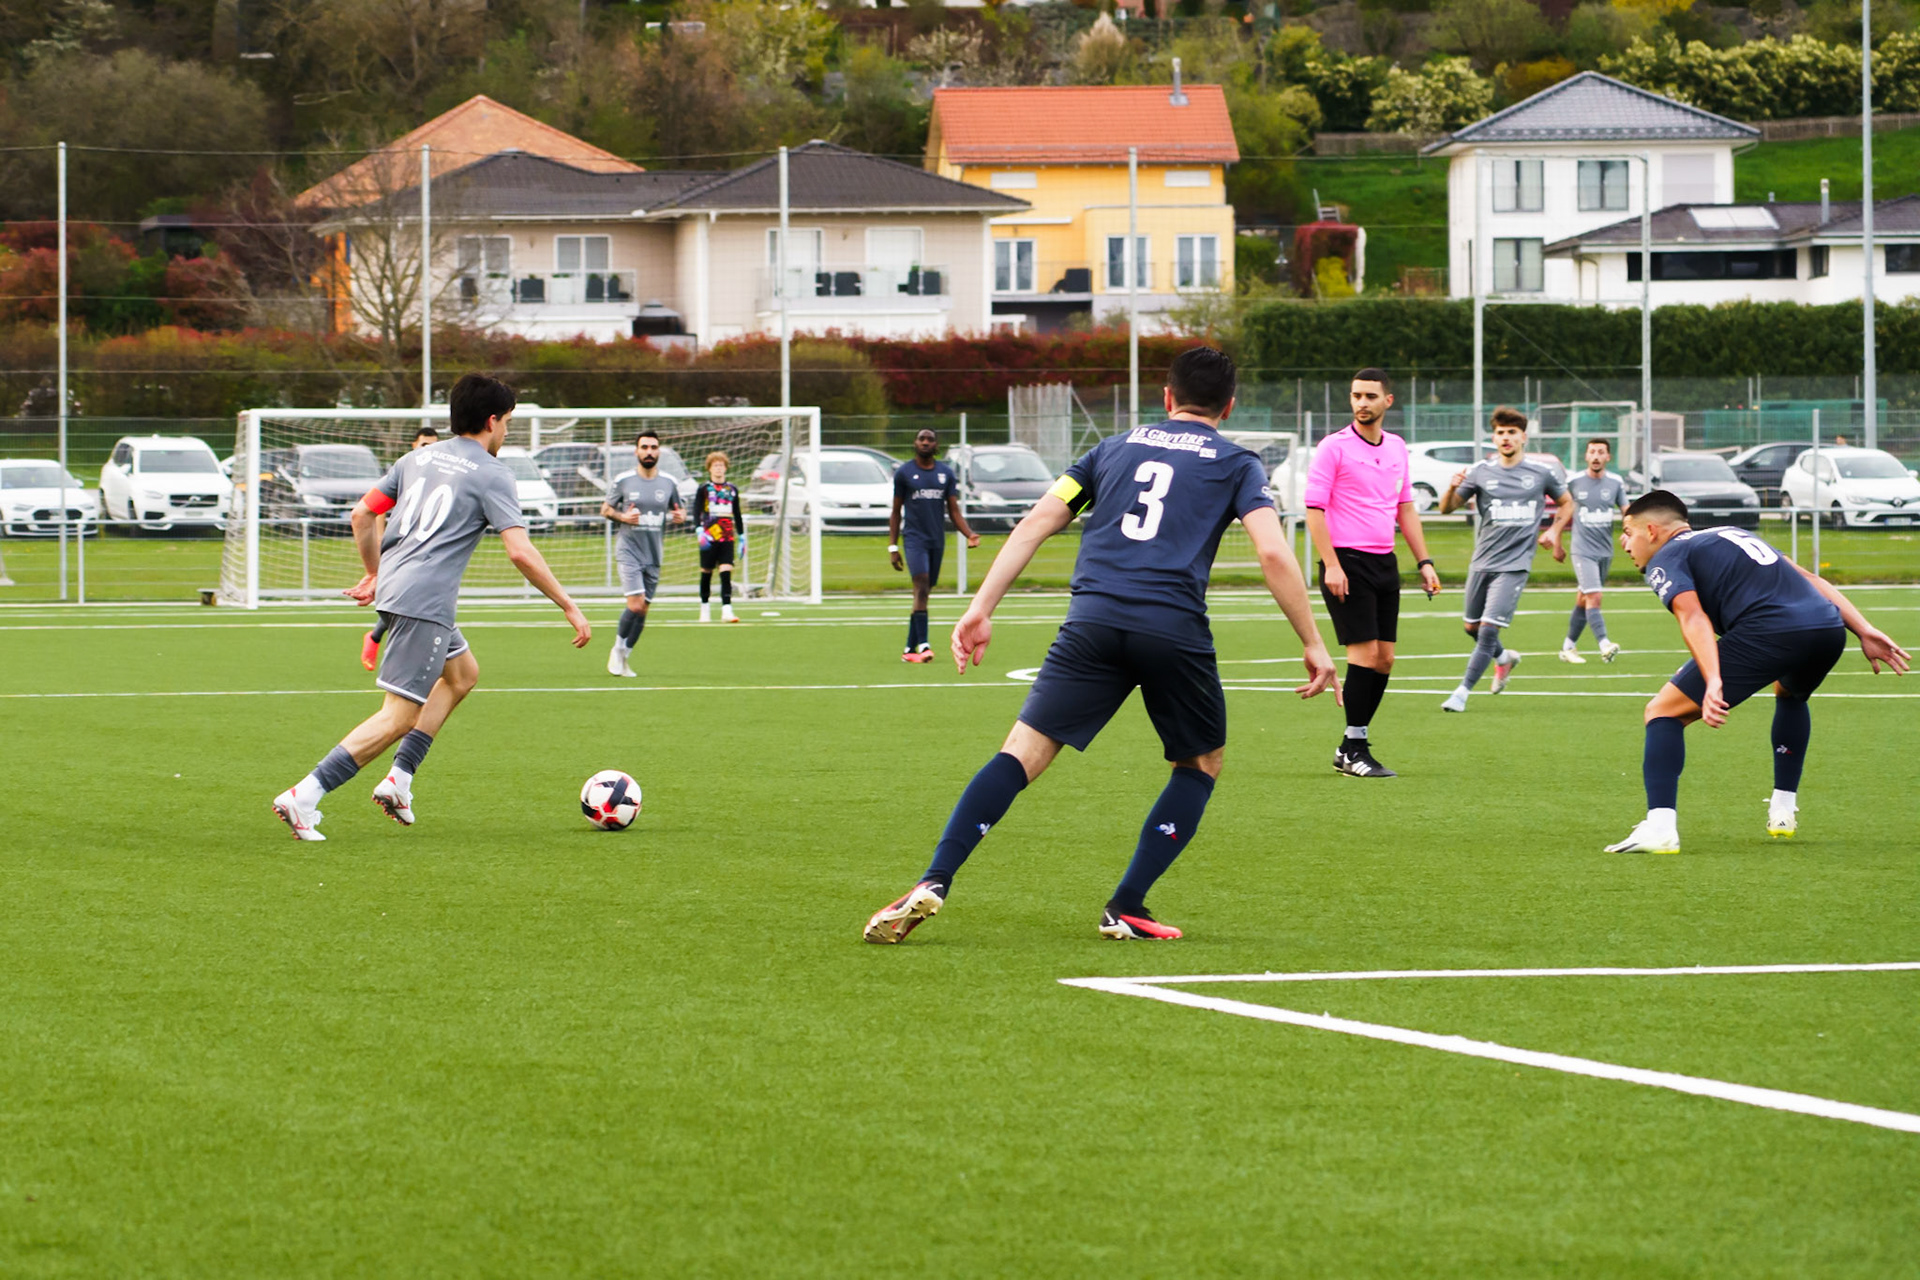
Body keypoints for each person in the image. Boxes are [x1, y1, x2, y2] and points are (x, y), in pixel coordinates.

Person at [863, 347, 1339, 945]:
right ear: (1230, 406)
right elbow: (1272, 552)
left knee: (1022, 752)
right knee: (1200, 763)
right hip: (1172, 630)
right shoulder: (1236, 461)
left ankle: (935, 878)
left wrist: (980, 608)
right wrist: (1314, 641)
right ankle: (1128, 904)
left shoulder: (1110, 449)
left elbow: (1036, 521)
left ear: (1166, 398)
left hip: (1092, 621)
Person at [273, 374, 590, 841]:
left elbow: (362, 514)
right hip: (425, 601)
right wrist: (568, 604)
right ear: (491, 420)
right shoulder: (493, 472)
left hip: (401, 589)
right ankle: (305, 796)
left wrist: (376, 572)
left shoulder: (415, 458)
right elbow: (520, 551)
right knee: (398, 715)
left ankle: (399, 781)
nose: (506, 432)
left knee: (462, 675)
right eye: (507, 422)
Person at [1603, 490, 1907, 853]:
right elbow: (1809, 578)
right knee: (1789, 693)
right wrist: (1862, 629)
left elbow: (1692, 615)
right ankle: (1783, 808)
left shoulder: (1668, 555)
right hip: (1826, 628)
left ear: (1652, 530)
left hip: (1771, 632)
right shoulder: (1733, 533)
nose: (1624, 542)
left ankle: (1660, 827)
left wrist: (1714, 680)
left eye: (1626, 531)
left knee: (1662, 711)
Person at [1302, 367, 1441, 778]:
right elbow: (1314, 509)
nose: (1362, 403)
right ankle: (1353, 747)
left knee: (1385, 660)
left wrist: (1425, 561)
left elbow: (1405, 509)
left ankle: (1353, 744)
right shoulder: (1333, 447)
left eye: (1369, 396)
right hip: (1347, 562)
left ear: (1387, 401)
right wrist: (1331, 564)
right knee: (1364, 657)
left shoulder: (1397, 447)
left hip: (1384, 562)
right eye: (1356, 396)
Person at [1437, 408, 1572, 711]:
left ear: (1523, 436)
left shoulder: (1542, 473)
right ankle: (1504, 658)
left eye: (1512, 432)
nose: (1506, 437)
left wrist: (1554, 531)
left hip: (1515, 565)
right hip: (1482, 561)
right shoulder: (1480, 471)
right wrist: (1450, 487)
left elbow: (1567, 503)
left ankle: (1461, 693)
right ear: (1494, 437)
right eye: (1500, 432)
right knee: (1471, 628)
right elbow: (1447, 509)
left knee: (1487, 630)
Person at [889, 428, 981, 663]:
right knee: (920, 583)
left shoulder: (945, 474)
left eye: (930, 439)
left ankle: (909, 649)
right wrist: (893, 547)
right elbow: (896, 512)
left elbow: (954, 511)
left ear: (936, 445)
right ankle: (925, 645)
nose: (926, 442)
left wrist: (969, 534)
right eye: (921, 439)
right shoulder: (905, 473)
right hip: (913, 539)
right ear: (915, 443)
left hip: (936, 541)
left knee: (924, 592)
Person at [601, 428, 686, 676]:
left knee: (644, 610)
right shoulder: (624, 480)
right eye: (644, 447)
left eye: (653, 447)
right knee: (636, 606)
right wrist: (623, 516)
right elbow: (605, 509)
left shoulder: (669, 483)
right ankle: (617, 650)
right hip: (629, 552)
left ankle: (626, 656)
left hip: (654, 554)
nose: (649, 452)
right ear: (636, 451)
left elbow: (678, 511)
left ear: (659, 451)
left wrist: (680, 517)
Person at [360, 424, 445, 671]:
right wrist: (379, 538)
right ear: (414, 445)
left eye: (434, 444)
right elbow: (375, 507)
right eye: (425, 444)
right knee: (402, 596)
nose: (430, 449)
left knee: (417, 597)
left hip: (430, 542)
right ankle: (377, 638)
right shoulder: (407, 467)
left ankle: (378, 637)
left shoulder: (443, 470)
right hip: (401, 541)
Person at [1557, 437, 1627, 665]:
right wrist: (1556, 541)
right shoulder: (1575, 482)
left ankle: (1568, 647)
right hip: (1582, 550)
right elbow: (1562, 509)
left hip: (1605, 551)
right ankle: (1605, 645)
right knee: (1594, 596)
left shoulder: (1616, 482)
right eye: (1592, 452)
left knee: (1583, 598)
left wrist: (1630, 533)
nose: (1596, 456)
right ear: (1586, 456)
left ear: (1608, 457)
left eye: (1601, 452)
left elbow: (1627, 511)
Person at [693, 452, 743, 623]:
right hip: (709, 536)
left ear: (726, 467)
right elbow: (696, 510)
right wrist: (699, 530)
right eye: (715, 465)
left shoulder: (732, 490)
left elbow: (737, 513)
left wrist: (742, 535)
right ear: (709, 469)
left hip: (727, 537)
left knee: (726, 572)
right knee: (706, 573)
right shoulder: (704, 489)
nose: (718, 469)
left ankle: (727, 609)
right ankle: (704, 607)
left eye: (721, 465)